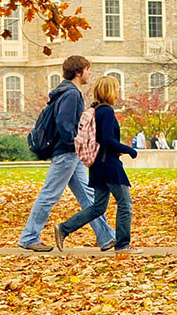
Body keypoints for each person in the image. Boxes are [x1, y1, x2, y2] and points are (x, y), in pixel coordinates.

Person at [16, 55, 114, 252]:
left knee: (87, 195)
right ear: (78, 72)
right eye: (87, 69)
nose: (90, 73)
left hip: (71, 153)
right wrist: (75, 143)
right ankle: (29, 237)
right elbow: (64, 123)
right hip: (67, 152)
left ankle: (107, 237)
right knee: (50, 194)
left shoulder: (67, 92)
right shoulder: (71, 94)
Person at [57, 76, 140, 253]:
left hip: (96, 166)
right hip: (109, 165)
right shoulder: (107, 112)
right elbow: (107, 140)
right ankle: (123, 245)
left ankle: (64, 228)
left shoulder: (95, 110)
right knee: (125, 203)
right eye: (116, 89)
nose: (118, 92)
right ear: (110, 91)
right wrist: (129, 150)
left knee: (98, 207)